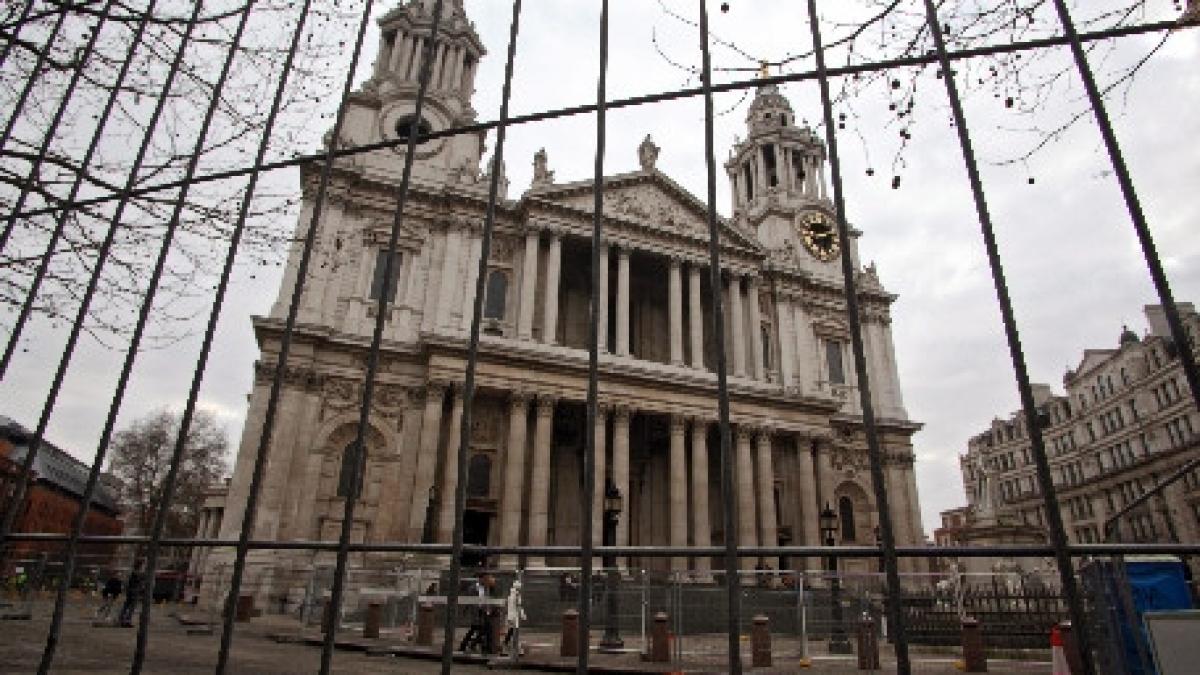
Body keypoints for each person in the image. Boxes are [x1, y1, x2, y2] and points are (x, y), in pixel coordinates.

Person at [457, 572, 495, 654]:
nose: (486, 580)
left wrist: (488, 609)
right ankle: (468, 645)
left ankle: (470, 645)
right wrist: (467, 610)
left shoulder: (486, 588)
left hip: (483, 611)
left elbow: (487, 599)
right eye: (485, 579)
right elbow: (470, 600)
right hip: (476, 611)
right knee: (478, 629)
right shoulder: (473, 588)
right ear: (480, 579)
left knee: (483, 629)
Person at [500, 579, 526, 656]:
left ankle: (510, 646)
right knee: (514, 632)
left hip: (510, 615)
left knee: (512, 631)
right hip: (514, 616)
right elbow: (518, 606)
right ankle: (515, 648)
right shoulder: (516, 595)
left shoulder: (510, 595)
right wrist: (522, 614)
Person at [119, 560, 145, 627]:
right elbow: (140, 581)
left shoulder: (133, 573)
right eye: (142, 566)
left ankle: (122, 618)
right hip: (134, 591)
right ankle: (127, 620)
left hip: (131, 591)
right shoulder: (137, 574)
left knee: (127, 605)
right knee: (131, 607)